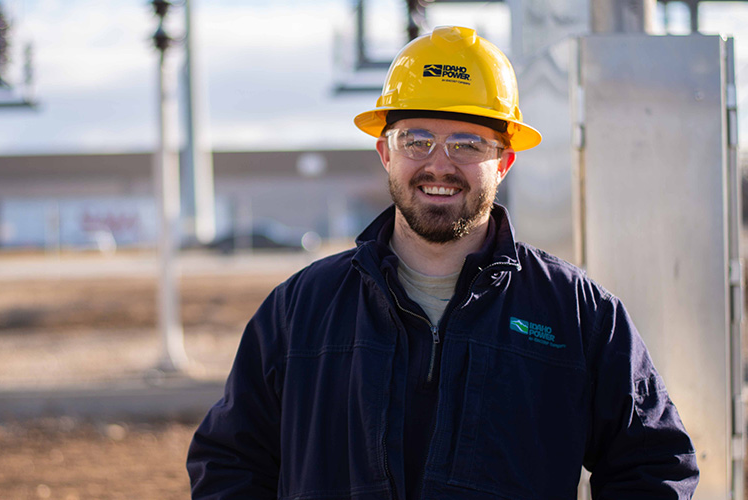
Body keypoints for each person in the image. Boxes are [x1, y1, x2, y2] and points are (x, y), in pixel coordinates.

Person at [187, 26, 699, 499]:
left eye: (467, 143)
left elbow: (655, 464)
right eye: (416, 140)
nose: (439, 163)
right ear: (386, 153)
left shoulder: (577, 314)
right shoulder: (300, 311)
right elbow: (230, 461)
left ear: (504, 161)